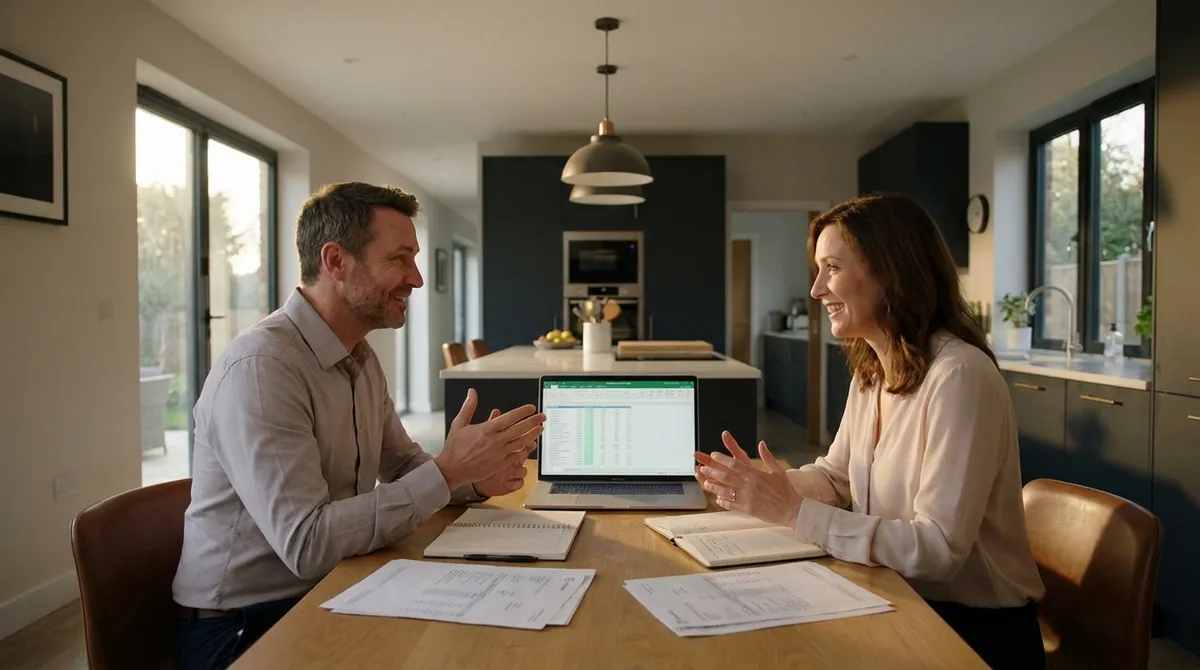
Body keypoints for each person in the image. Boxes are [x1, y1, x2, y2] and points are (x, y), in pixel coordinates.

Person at [172, 182, 545, 670]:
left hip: (336, 583)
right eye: (399, 259)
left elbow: (403, 463)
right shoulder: (264, 368)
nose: (415, 278)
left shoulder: (359, 357)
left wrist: (471, 477)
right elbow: (307, 544)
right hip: (244, 627)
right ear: (336, 261)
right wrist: (448, 472)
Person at [695, 193, 1046, 669]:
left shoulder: (960, 376)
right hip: (897, 594)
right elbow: (838, 478)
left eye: (832, 268)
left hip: (970, 633)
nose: (818, 289)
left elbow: (939, 552)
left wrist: (794, 512)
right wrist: (757, 486)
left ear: (891, 270)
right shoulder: (874, 371)